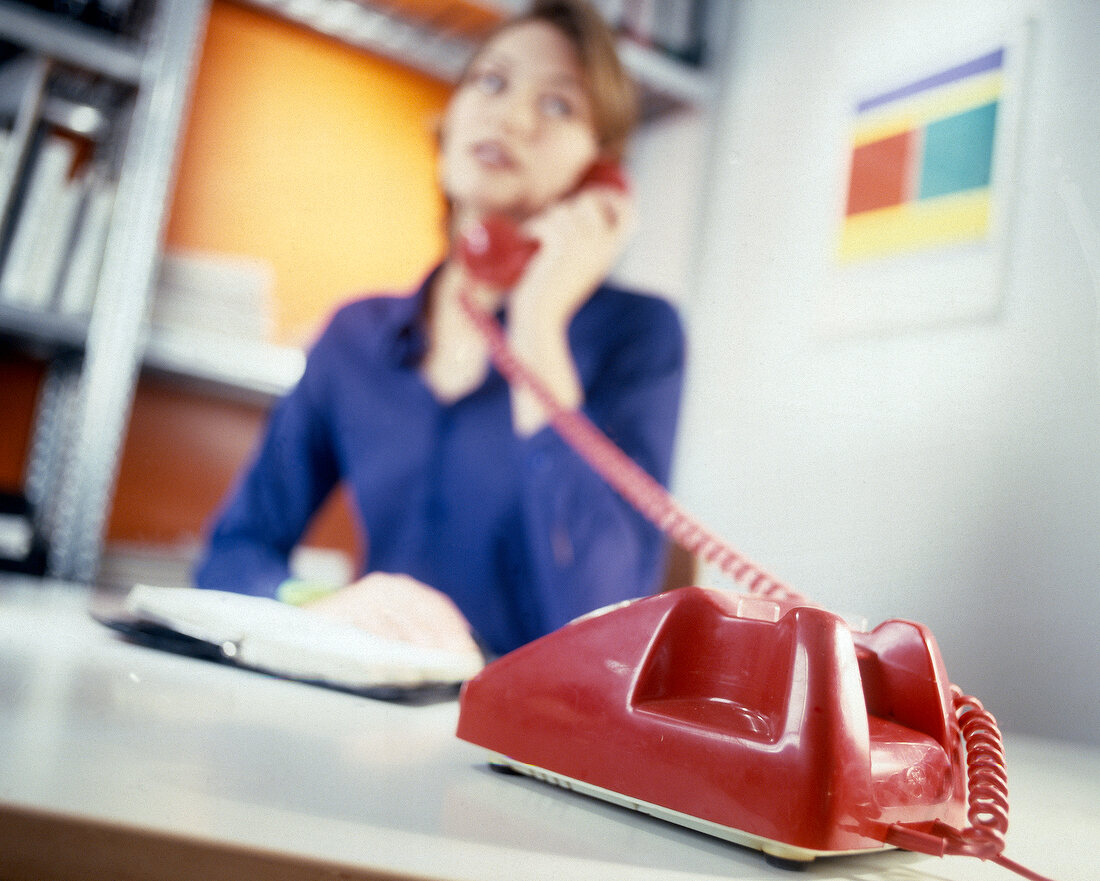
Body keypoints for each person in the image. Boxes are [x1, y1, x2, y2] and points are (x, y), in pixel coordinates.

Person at [193, 0, 685, 661]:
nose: (511, 117)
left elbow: (606, 620)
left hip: (524, 742)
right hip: (370, 711)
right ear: (449, 118)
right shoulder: (354, 336)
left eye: (560, 105)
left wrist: (539, 325)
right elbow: (231, 553)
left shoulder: (639, 335)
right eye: (491, 81)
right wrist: (319, 604)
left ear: (601, 170)